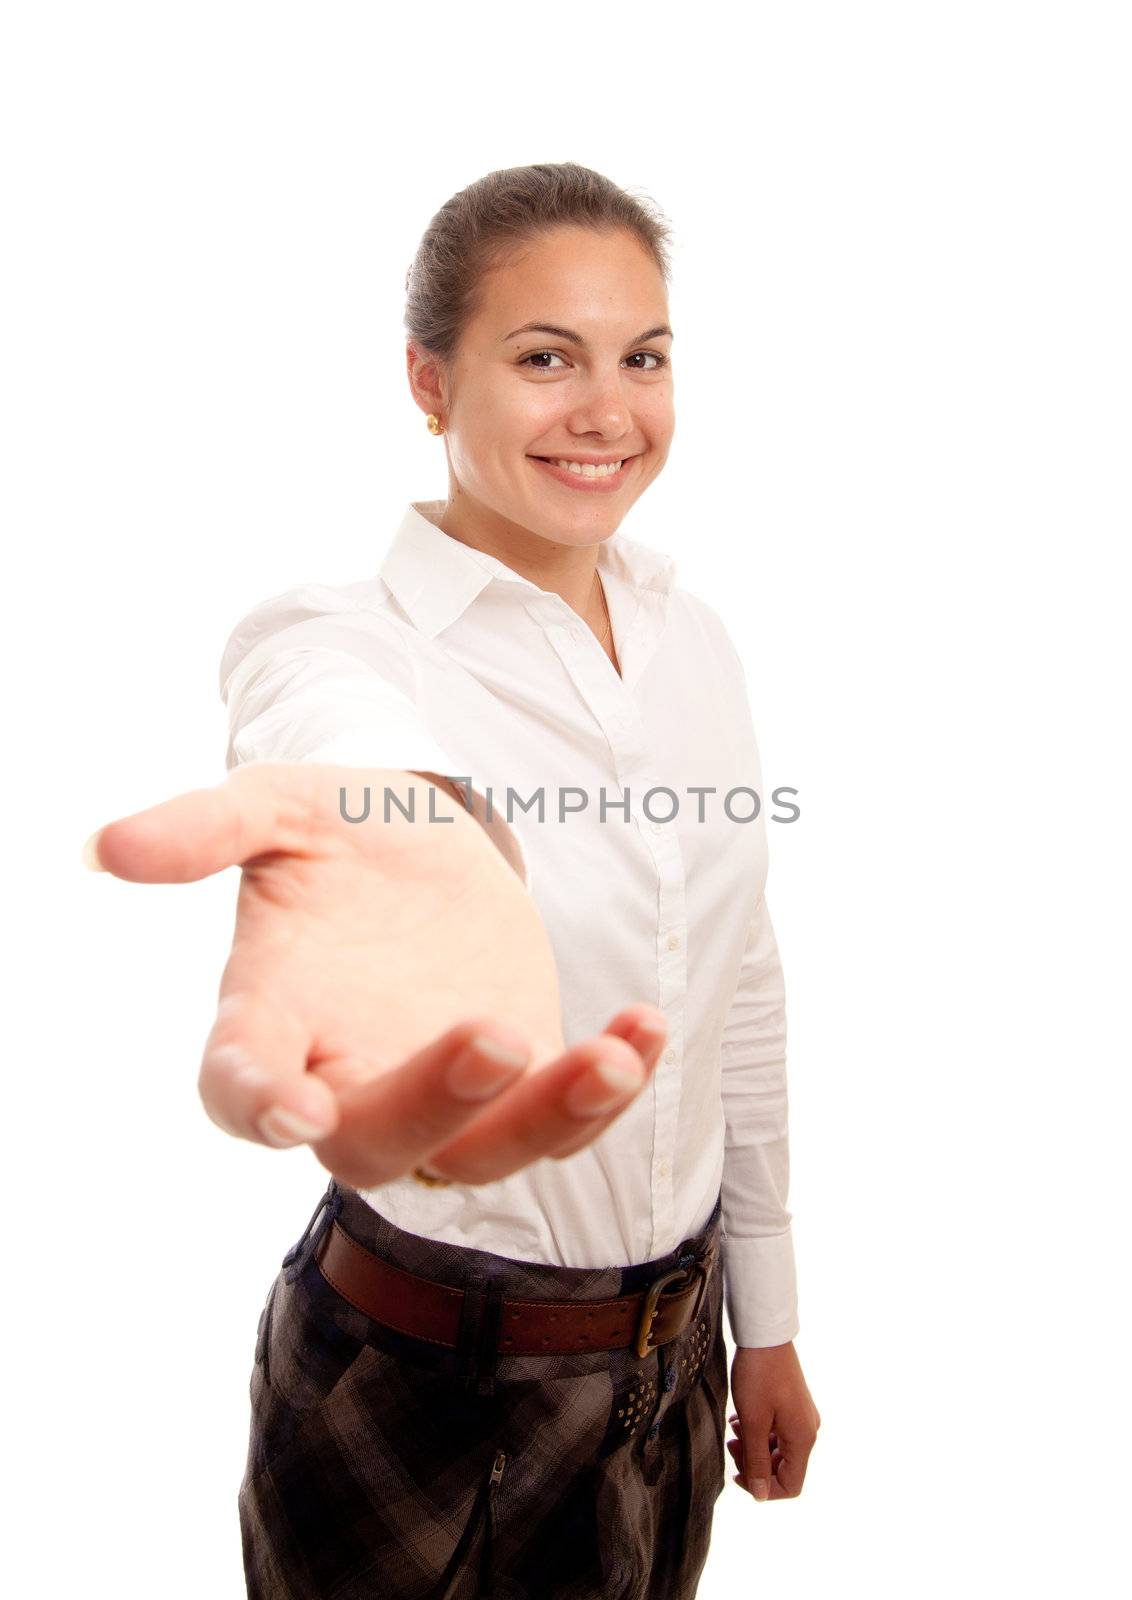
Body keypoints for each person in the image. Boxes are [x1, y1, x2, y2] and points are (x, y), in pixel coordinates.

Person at [83, 161, 821, 1599]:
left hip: (671, 1370)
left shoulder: (695, 640)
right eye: (545, 357)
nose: (607, 410)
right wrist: (409, 829)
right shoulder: (341, 639)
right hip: (418, 1385)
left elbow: (742, 981)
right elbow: (327, 726)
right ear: (429, 380)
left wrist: (768, 1314)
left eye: (642, 357)